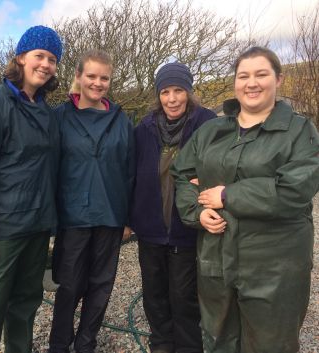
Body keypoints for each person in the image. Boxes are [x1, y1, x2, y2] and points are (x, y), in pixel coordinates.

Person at [171, 46, 319, 353]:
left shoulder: (299, 131)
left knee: (270, 344)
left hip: (274, 266)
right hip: (216, 258)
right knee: (219, 339)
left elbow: (294, 190)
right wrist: (196, 211)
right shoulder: (212, 131)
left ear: (277, 79)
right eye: (244, 76)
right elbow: (182, 173)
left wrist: (227, 194)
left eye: (261, 74)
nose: (251, 83)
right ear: (236, 81)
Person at [0, 25, 62, 353]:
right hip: (2, 232)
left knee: (25, 306)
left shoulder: (45, 111)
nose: (45, 64)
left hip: (36, 228)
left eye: (52, 59)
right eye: (39, 55)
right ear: (21, 57)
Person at [48, 49, 135, 353]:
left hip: (110, 215)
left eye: (104, 78)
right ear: (79, 76)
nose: (98, 83)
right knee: (69, 285)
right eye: (92, 76)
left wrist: (127, 218)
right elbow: (49, 168)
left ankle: (86, 342)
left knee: (101, 285)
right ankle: (59, 343)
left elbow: (129, 171)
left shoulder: (121, 120)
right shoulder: (59, 117)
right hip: (73, 216)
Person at [127, 62, 216, 353]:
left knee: (184, 298)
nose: (172, 98)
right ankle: (161, 346)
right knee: (154, 297)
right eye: (165, 91)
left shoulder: (207, 123)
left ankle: (190, 347)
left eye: (179, 90)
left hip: (186, 230)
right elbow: (132, 174)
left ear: (189, 92)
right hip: (151, 230)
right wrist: (130, 218)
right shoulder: (145, 128)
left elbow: (222, 168)